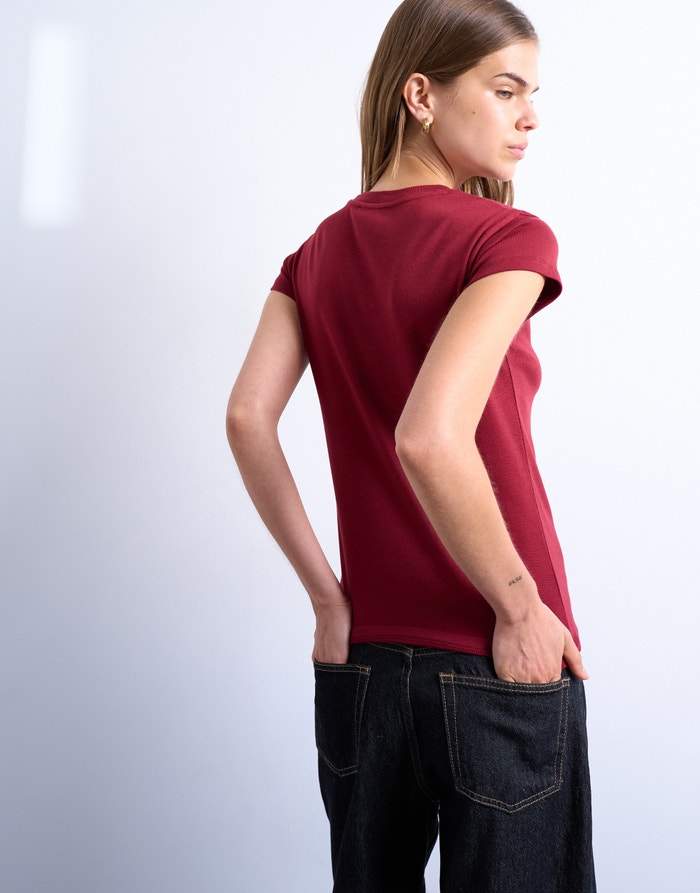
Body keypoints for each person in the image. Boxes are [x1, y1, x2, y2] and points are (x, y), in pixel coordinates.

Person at [226, 0, 595, 889]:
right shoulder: (508, 237)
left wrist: (328, 599)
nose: (529, 117)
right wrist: (519, 605)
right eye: (505, 90)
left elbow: (246, 418)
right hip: (496, 650)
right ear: (421, 95)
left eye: (532, 95)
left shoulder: (314, 255)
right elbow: (429, 437)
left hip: (364, 661)